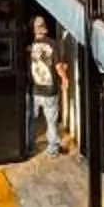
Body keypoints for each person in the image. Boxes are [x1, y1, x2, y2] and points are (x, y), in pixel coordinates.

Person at [27, 12, 70, 156]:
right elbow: (58, 66)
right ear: (37, 29)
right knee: (51, 121)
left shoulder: (30, 47)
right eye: (41, 24)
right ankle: (52, 148)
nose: (44, 26)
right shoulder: (52, 44)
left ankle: (30, 146)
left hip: (34, 89)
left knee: (31, 120)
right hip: (49, 90)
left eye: (43, 23)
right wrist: (65, 78)